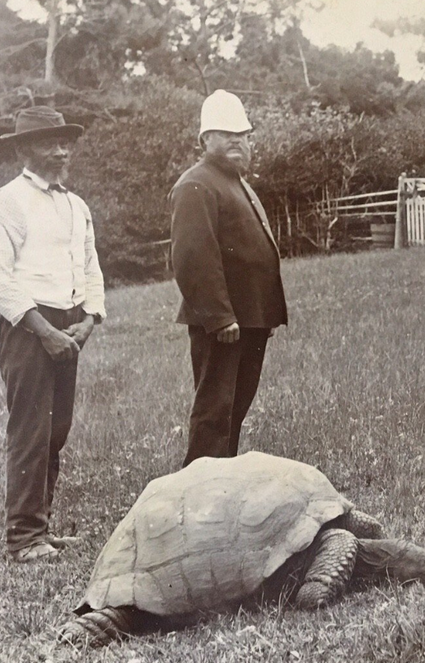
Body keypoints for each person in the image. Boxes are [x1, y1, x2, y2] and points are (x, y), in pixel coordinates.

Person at [0, 105, 106, 563]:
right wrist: (43, 330)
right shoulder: (4, 203)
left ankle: (41, 528)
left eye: (67, 140)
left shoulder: (76, 204)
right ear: (25, 149)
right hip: (27, 329)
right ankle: (24, 537)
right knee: (30, 430)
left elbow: (90, 266)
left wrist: (90, 319)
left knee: (57, 429)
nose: (63, 149)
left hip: (70, 325)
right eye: (51, 141)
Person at [170, 90, 287, 467]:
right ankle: (198, 496)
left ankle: (221, 489)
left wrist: (262, 315)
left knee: (234, 411)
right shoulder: (196, 184)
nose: (237, 139)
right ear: (205, 139)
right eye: (225, 133)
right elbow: (192, 258)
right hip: (224, 323)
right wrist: (220, 317)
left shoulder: (237, 183)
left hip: (251, 320)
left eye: (243, 133)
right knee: (214, 413)